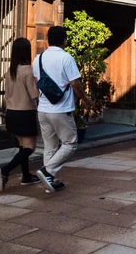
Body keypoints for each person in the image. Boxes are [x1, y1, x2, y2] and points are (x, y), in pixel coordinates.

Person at [33, 26, 94, 193]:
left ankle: (50, 182)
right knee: (70, 143)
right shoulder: (66, 58)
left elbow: (38, 82)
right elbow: (75, 83)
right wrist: (85, 98)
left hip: (43, 109)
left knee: (50, 146)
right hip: (60, 109)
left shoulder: (38, 59)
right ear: (64, 41)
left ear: (48, 40)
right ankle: (47, 172)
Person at [0, 38, 41, 192]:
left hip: (12, 113)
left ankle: (26, 176)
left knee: (23, 146)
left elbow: (7, 94)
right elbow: (34, 94)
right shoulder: (28, 70)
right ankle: (5, 170)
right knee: (30, 147)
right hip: (25, 112)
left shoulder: (10, 71)